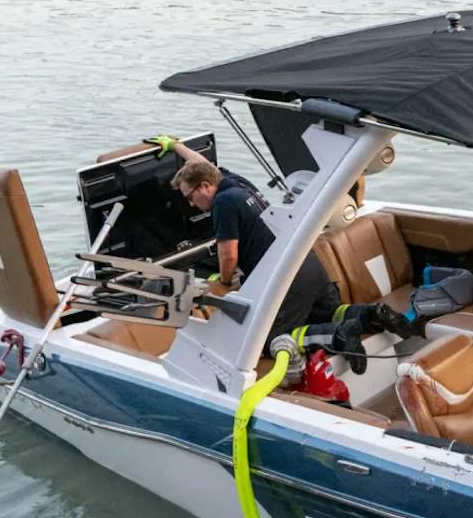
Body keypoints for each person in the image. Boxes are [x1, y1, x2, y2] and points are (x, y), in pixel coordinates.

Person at [147, 135, 407, 379]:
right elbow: (203, 164)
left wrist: (224, 282)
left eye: (190, 196)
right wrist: (177, 146)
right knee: (329, 312)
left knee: (266, 340)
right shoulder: (234, 183)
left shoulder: (222, 204)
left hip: (285, 277)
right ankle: (372, 315)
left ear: (205, 186)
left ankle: (338, 336)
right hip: (307, 263)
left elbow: (228, 254)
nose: (191, 204)